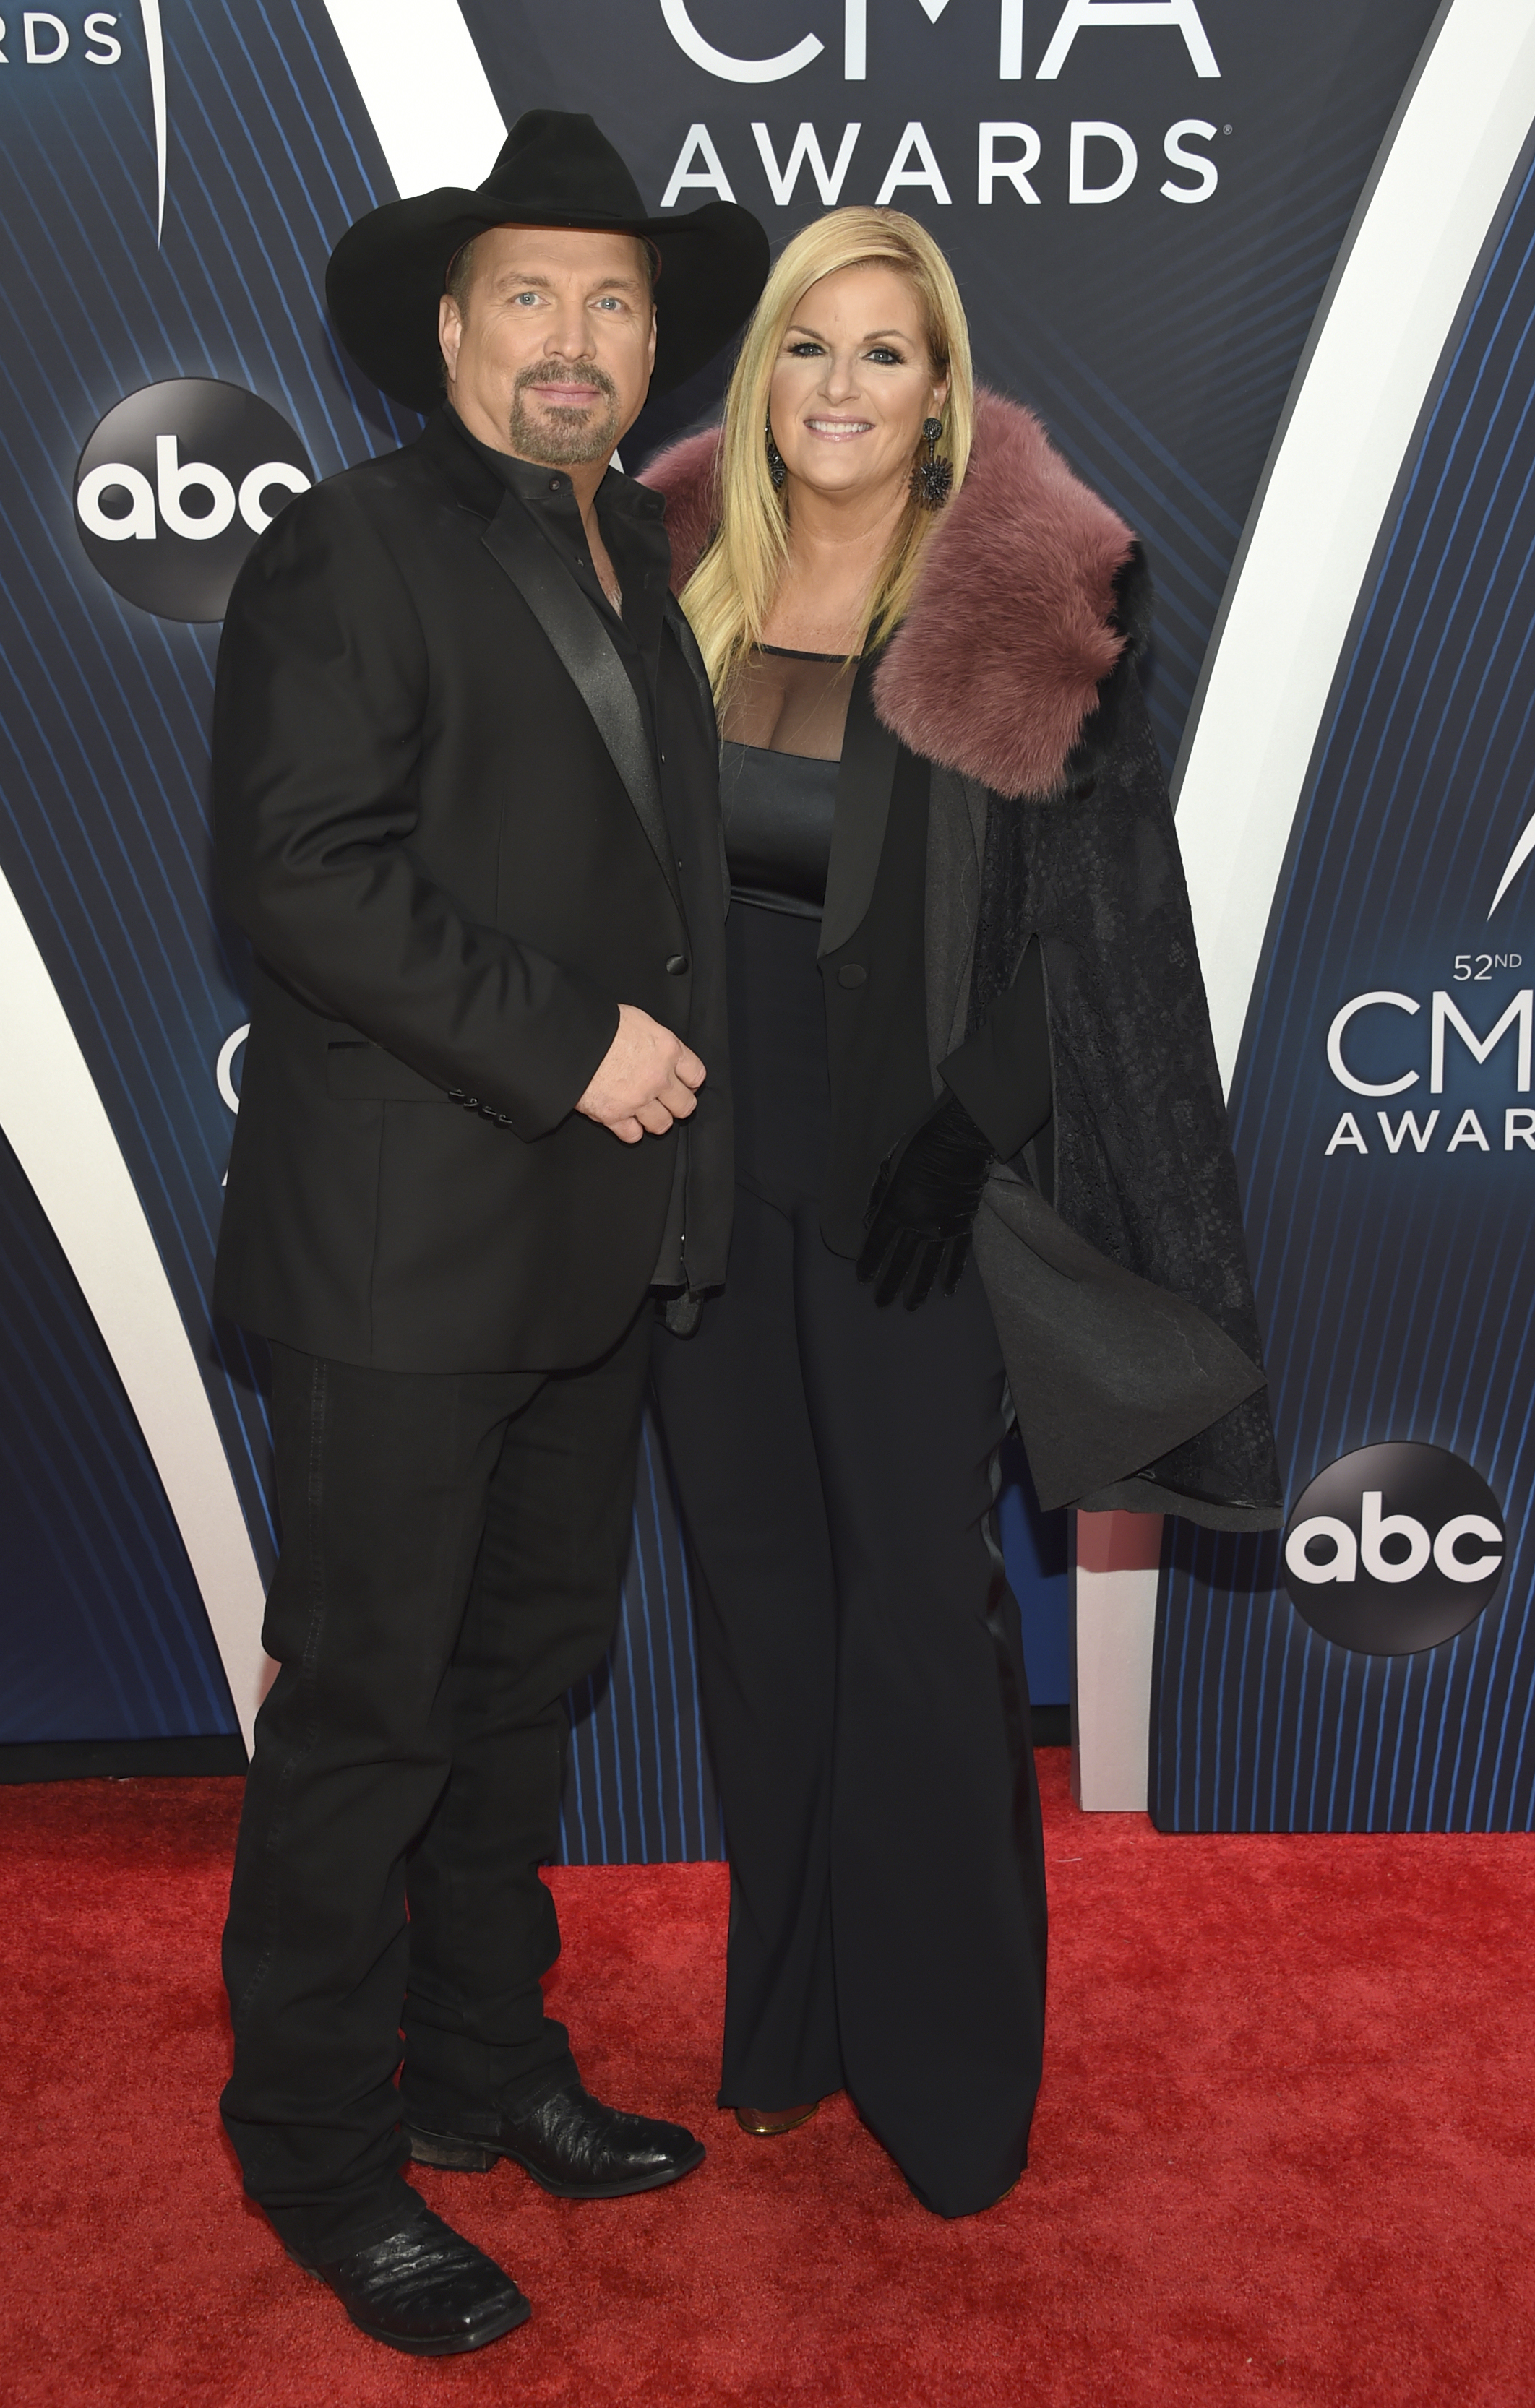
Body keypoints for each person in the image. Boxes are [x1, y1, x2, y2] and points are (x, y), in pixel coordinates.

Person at [644, 208, 1284, 2220]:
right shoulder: (670, 585)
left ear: (942, 399)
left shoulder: (1027, 603)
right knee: (760, 1609)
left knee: (918, 1611)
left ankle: (947, 2065)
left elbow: (1098, 935)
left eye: (886, 355)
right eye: (808, 347)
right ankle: (789, 2022)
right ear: (764, 380)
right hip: (693, 1183)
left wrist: (960, 1129)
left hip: (912, 1192)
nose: (841, 386)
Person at [209, 113, 767, 2357]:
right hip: (405, 1255)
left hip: (594, 1254)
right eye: (527, 296)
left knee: (521, 1694)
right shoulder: (347, 551)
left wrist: (673, 1164)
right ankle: (324, 2158)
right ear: (446, 329)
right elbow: (307, 876)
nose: (575, 338)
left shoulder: (642, 551)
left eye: (614, 302)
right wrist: (574, 1049)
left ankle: (474, 2067)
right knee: (368, 1716)